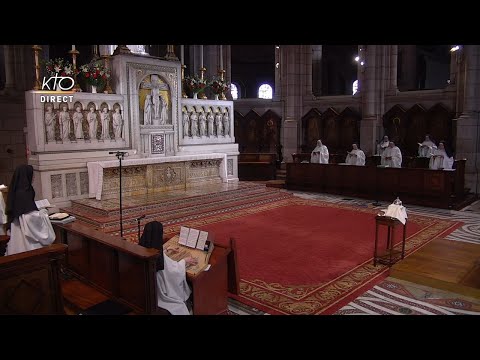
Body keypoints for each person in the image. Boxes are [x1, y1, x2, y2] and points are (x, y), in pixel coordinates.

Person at [139, 221, 197, 315]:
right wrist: (184, 261)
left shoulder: (140, 249)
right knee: (183, 300)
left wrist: (166, 250)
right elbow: (173, 271)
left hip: (145, 289)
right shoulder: (157, 257)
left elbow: (155, 253)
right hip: (158, 293)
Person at [5, 165, 55, 256]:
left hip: (18, 231)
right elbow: (30, 218)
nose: (33, 178)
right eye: (32, 175)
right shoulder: (24, 193)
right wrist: (43, 213)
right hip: (27, 240)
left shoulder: (18, 189)